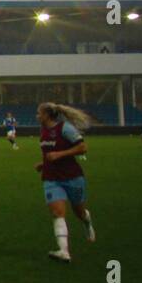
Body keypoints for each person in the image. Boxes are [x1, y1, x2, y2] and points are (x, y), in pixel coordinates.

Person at [36, 102, 95, 263]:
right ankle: (64, 251)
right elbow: (49, 154)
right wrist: (43, 164)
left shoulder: (65, 128)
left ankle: (86, 221)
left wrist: (59, 154)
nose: (37, 116)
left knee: (79, 212)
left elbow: (82, 148)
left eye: (39, 113)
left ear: (47, 115)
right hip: (51, 178)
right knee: (57, 213)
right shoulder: (43, 131)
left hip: (72, 177)